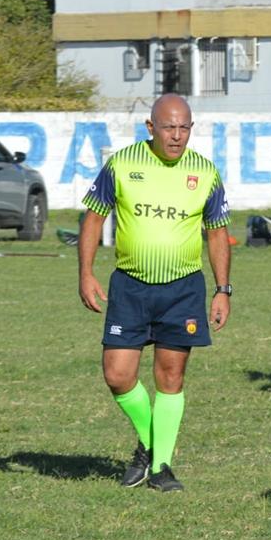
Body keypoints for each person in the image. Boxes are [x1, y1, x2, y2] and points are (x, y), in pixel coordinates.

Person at [77, 94, 231, 493]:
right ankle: (149, 443)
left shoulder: (206, 172)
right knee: (117, 375)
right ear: (151, 128)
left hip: (183, 289)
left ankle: (161, 467)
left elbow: (217, 234)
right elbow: (94, 217)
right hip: (129, 286)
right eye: (169, 127)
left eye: (184, 128)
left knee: (170, 377)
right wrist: (86, 273)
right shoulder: (123, 163)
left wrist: (223, 289)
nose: (177, 136)